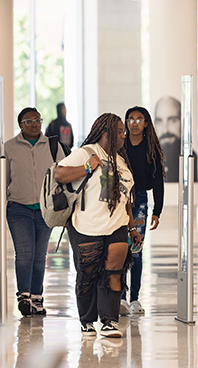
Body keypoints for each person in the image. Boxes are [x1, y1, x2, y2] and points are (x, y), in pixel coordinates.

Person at [55, 113, 141, 338]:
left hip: (118, 225)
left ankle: (109, 321)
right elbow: (59, 173)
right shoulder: (87, 152)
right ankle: (87, 321)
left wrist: (132, 227)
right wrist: (86, 168)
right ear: (105, 133)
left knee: (114, 273)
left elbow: (127, 199)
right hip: (87, 225)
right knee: (88, 274)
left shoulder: (120, 160)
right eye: (119, 131)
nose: (124, 135)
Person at [0, 107, 66, 316]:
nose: (34, 124)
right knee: (24, 253)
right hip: (18, 208)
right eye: (29, 121)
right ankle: (24, 296)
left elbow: (63, 175)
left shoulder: (53, 146)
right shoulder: (9, 147)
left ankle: (37, 297)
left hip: (45, 209)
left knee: (40, 256)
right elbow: (1, 180)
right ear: (20, 125)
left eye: (37, 120)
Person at [120, 106, 165, 315]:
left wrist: (158, 210)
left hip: (139, 200)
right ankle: (119, 297)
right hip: (119, 198)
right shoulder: (119, 146)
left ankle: (134, 298)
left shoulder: (152, 148)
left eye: (139, 119)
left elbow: (158, 181)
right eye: (130, 119)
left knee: (135, 250)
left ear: (146, 123)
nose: (135, 123)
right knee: (119, 249)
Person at [154, 96, 198, 182]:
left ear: (182, 123)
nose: (165, 130)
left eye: (172, 121)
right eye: (159, 121)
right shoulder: (148, 157)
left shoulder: (191, 158)